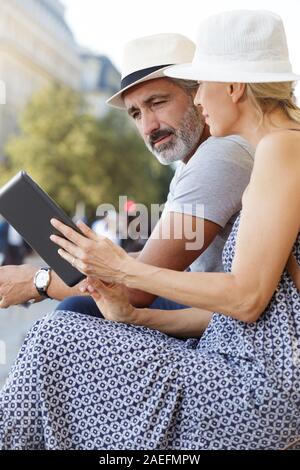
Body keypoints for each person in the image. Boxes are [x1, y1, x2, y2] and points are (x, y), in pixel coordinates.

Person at [3, 11, 299, 449]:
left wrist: (117, 270)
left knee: (57, 338)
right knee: (63, 337)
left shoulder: (273, 149)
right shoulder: (273, 149)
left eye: (201, 86)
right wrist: (135, 311)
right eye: (136, 113)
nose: (201, 101)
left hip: (255, 387)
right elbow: (262, 310)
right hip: (249, 369)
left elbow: (248, 299)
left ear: (233, 86)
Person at [0, 33, 253, 314]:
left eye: (157, 103)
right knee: (78, 309)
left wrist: (39, 281)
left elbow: (138, 289)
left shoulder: (218, 156)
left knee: (76, 312)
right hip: (206, 308)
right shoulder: (193, 163)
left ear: (198, 95)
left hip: (223, 324)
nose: (148, 127)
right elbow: (147, 262)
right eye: (135, 114)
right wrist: (69, 265)